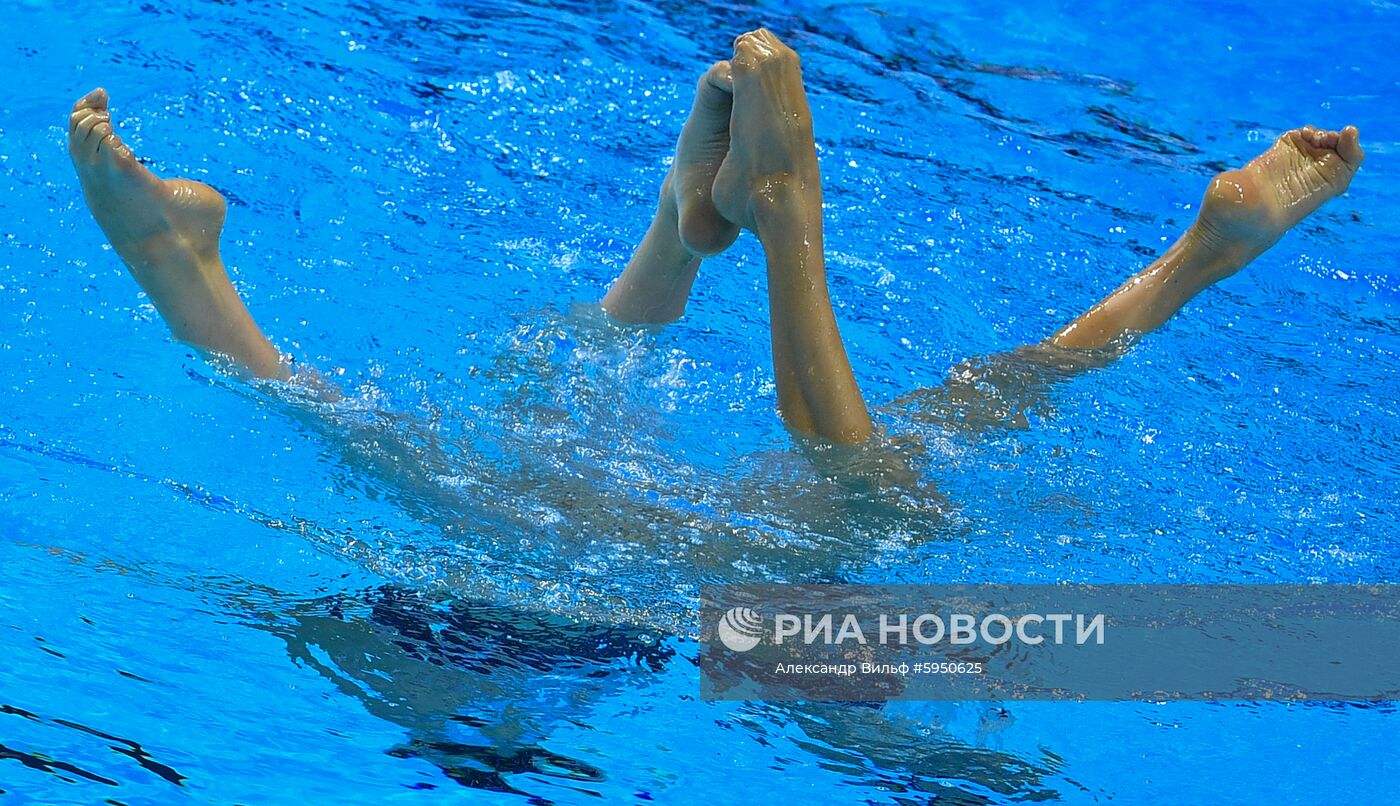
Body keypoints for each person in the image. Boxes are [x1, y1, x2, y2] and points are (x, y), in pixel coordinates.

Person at [67, 30, 1365, 446]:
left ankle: (720, 221)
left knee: (936, 447)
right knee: (898, 479)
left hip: (554, 606)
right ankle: (740, 215)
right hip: (589, 595)